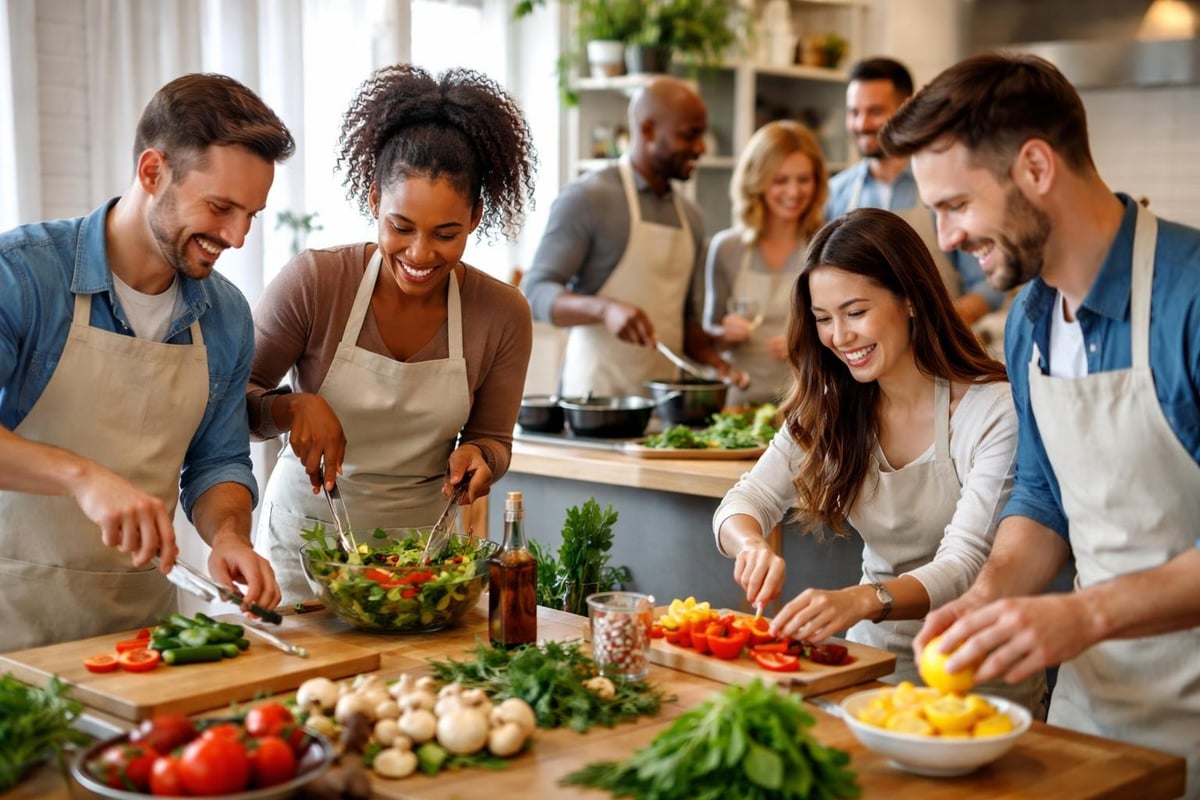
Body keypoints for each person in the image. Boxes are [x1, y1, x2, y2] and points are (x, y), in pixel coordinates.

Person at [879, 51, 1200, 794]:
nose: (946, 236)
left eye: (956, 204)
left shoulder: (1188, 302)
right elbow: (1044, 493)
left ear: (1035, 167)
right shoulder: (1029, 321)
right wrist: (988, 600)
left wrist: (1082, 616)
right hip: (1095, 721)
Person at [0, 73, 293, 651]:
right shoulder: (23, 276)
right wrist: (82, 477)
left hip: (140, 632)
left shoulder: (226, 315)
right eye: (220, 207)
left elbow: (218, 462)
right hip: (12, 621)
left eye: (251, 215)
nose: (236, 237)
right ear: (153, 172)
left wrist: (229, 538)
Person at [712, 208, 1046, 712]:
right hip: (871, 670)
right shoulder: (831, 402)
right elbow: (746, 499)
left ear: (909, 298)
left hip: (979, 675)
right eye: (823, 319)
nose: (839, 337)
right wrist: (750, 545)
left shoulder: (989, 408)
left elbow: (966, 563)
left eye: (855, 312)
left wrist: (863, 599)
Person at [247, 65, 535, 605]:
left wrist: (481, 457)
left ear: (475, 216)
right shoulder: (316, 282)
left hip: (422, 559)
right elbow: (232, 405)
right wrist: (290, 409)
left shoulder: (502, 313)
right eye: (401, 228)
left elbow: (494, 439)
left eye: (446, 234)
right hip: (307, 554)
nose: (421, 254)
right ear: (375, 200)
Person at [521, 75, 745, 397]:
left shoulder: (692, 217)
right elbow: (535, 293)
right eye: (689, 135)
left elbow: (685, 321)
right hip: (596, 402)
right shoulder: (588, 198)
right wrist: (604, 309)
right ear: (648, 130)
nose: (700, 147)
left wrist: (717, 364)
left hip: (666, 402)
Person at [825, 57, 1005, 326]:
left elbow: (987, 284)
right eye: (854, 113)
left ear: (906, 108)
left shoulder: (946, 186)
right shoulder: (835, 193)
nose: (861, 124)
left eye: (874, 111)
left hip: (936, 352)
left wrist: (942, 327)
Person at [703, 120, 827, 406]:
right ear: (756, 181)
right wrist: (724, 333)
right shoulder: (727, 248)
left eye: (803, 179)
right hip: (738, 403)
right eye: (780, 180)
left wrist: (807, 344)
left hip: (805, 403)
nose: (793, 192)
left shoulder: (825, 245)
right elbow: (707, 338)